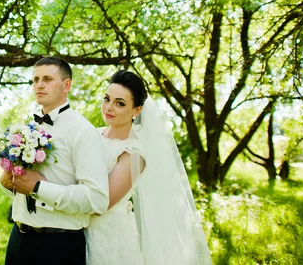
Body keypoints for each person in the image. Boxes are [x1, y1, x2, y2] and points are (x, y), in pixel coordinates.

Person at [85, 70, 212, 265]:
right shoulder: (92, 135)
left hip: (109, 238)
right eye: (107, 99)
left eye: (120, 103)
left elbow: (103, 203)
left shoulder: (134, 153)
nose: (109, 107)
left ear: (136, 110)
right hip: (76, 231)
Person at [0, 57, 109, 265]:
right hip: (18, 238)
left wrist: (39, 187)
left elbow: (96, 199)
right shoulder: (26, 127)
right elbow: (21, 183)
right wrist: (8, 182)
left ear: (66, 85)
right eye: (35, 80)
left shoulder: (83, 132)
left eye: (47, 79)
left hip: (59, 246)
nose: (39, 85)